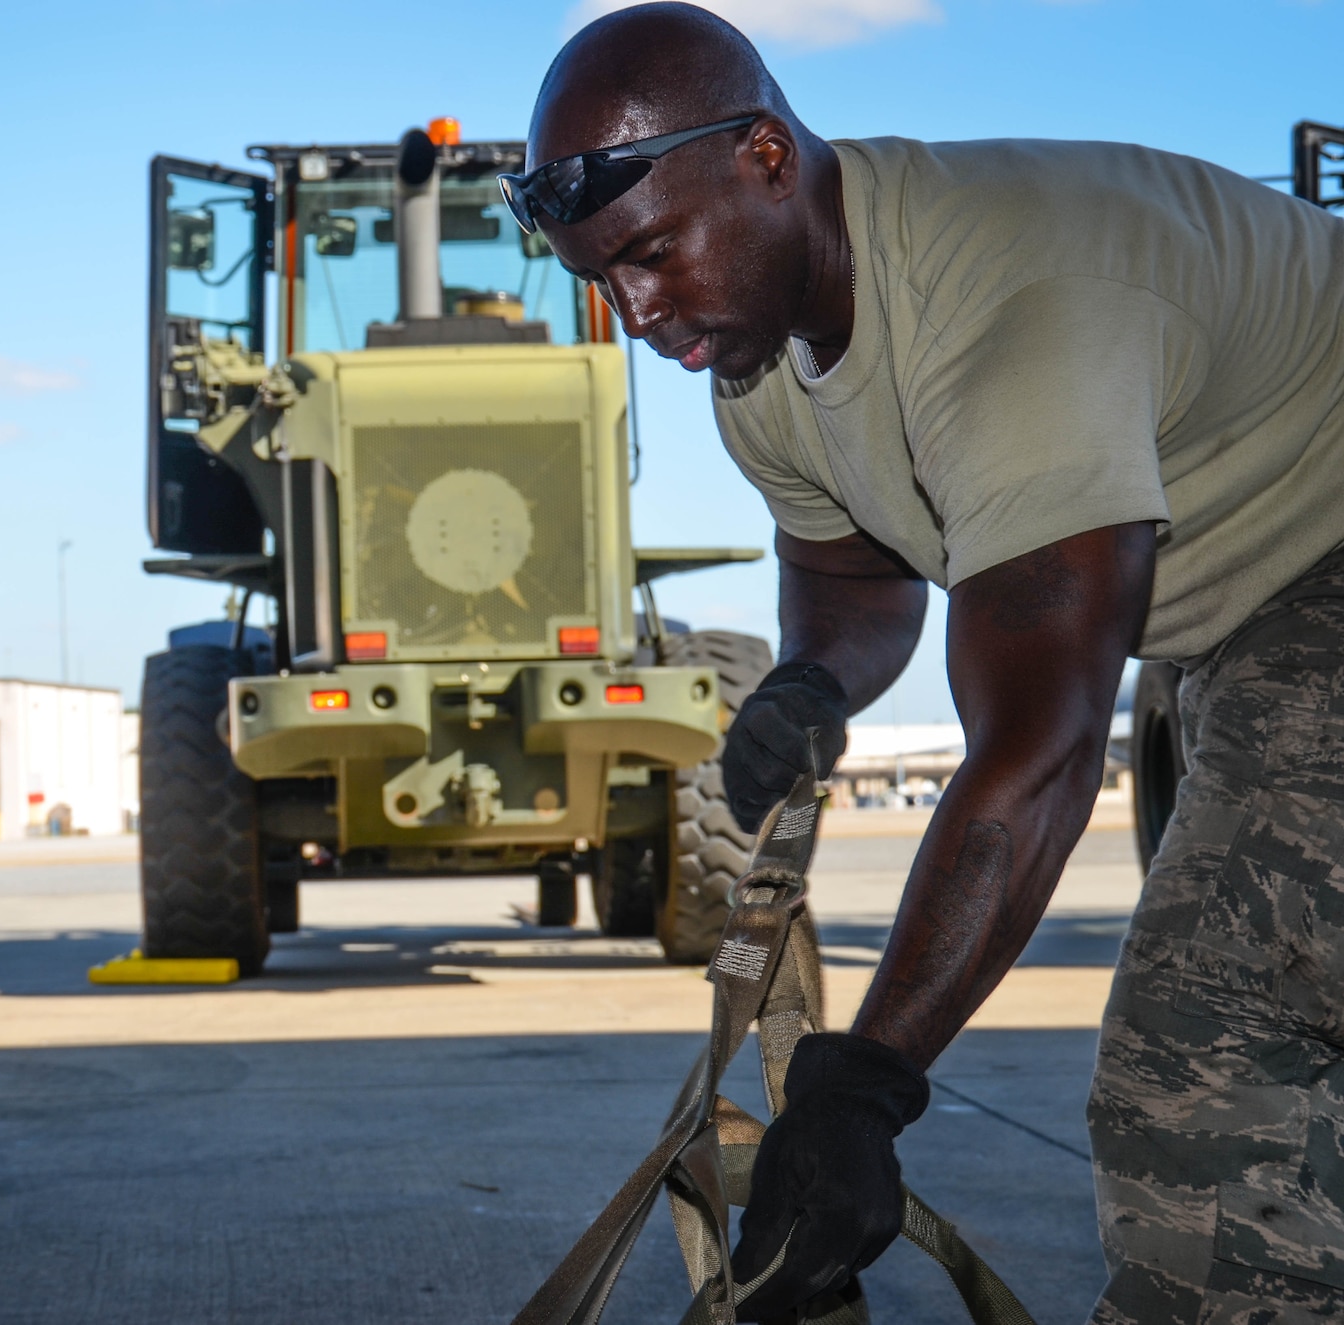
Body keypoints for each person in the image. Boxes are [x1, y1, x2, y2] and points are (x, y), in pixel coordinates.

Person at [506, 5, 1344, 1322]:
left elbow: (1040, 755)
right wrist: (812, 683)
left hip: (1324, 565)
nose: (639, 313)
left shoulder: (1010, 314)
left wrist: (863, 1090)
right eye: (602, 280)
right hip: (1244, 609)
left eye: (654, 256)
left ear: (768, 158)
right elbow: (857, 580)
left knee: (1210, 1042)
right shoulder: (756, 358)